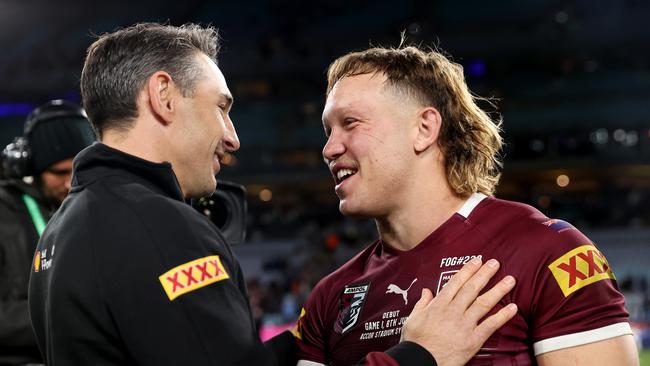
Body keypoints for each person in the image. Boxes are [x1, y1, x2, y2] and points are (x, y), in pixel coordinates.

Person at [28, 23, 518, 366]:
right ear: (163, 95)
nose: (232, 136)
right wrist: (419, 356)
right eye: (221, 108)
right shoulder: (157, 226)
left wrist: (317, 335)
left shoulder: (61, 228)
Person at [294, 44, 640, 365]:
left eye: (350, 123)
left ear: (424, 128)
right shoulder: (330, 296)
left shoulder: (547, 252)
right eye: (328, 131)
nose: (329, 149)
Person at [0, 100, 95, 365]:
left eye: (77, 171)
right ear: (30, 167)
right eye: (58, 172)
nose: (69, 183)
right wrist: (73, 317)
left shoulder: (94, 210)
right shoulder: (4, 213)